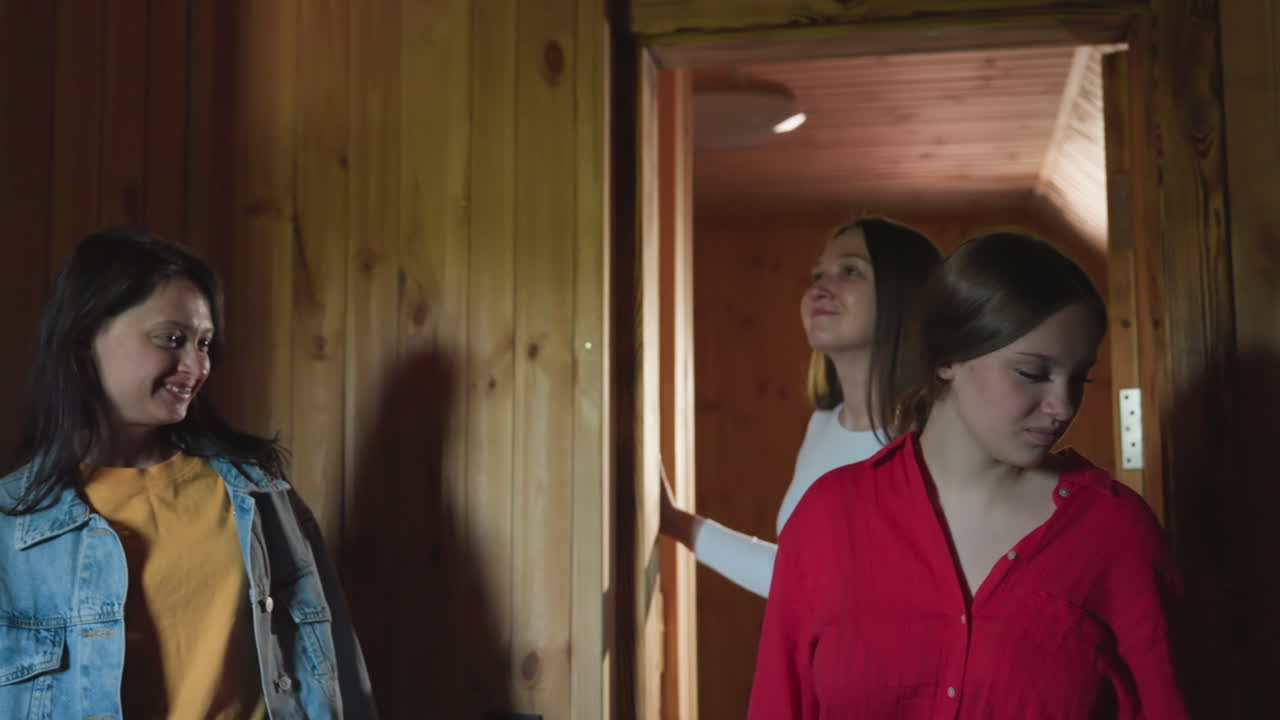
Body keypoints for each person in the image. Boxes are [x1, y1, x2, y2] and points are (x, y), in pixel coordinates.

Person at [748, 231, 1186, 719]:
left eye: (1078, 378)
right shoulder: (830, 515)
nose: (1063, 406)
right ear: (947, 360)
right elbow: (779, 704)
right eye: (1032, 373)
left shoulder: (1114, 531)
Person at [0, 228, 376, 719]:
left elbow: (338, 668)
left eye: (204, 343)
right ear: (83, 339)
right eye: (172, 339)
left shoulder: (261, 496)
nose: (196, 365)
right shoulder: (13, 525)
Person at [660, 217, 941, 597]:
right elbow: (801, 578)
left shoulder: (936, 438)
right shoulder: (823, 425)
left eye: (849, 271)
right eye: (817, 275)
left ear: (903, 293)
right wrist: (675, 522)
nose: (819, 289)